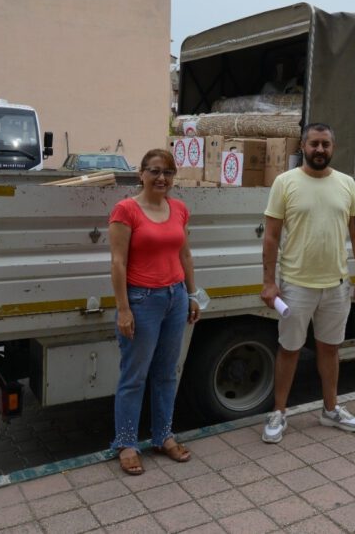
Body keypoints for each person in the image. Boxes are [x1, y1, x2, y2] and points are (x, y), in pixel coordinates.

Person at [260, 123, 355, 443]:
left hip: (337, 285)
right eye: (313, 144)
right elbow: (271, 236)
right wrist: (269, 282)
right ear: (303, 147)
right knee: (289, 349)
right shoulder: (285, 183)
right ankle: (279, 412)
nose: (319, 150)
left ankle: (330, 410)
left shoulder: (347, 184)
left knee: (330, 349)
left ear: (332, 148)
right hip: (295, 285)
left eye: (325, 144)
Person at [108, 148, 200, 475]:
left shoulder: (179, 209)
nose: (162, 178)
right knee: (134, 376)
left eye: (169, 173)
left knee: (166, 373)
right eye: (155, 171)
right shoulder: (126, 210)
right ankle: (127, 443)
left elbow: (185, 256)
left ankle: (163, 436)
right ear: (141, 174)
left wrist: (193, 295)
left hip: (175, 298)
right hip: (142, 301)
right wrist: (123, 309)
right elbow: (118, 262)